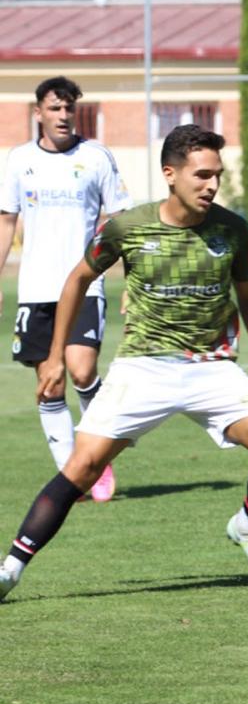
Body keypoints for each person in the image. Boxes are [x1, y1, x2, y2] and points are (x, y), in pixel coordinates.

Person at [0, 125, 248, 602]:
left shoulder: (231, 229)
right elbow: (77, 279)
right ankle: (10, 570)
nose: (212, 185)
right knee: (81, 470)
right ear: (170, 174)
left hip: (212, 367)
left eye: (217, 175)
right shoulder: (127, 228)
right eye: (202, 175)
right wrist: (55, 357)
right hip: (143, 367)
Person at [0, 76, 133, 501]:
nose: (62, 116)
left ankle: (96, 453)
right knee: (50, 385)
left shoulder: (95, 157)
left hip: (84, 285)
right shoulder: (18, 160)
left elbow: (120, 220)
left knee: (81, 371)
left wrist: (132, 280)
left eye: (68, 109)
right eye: (54, 109)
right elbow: (6, 221)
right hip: (36, 289)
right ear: (37, 113)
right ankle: (71, 474)